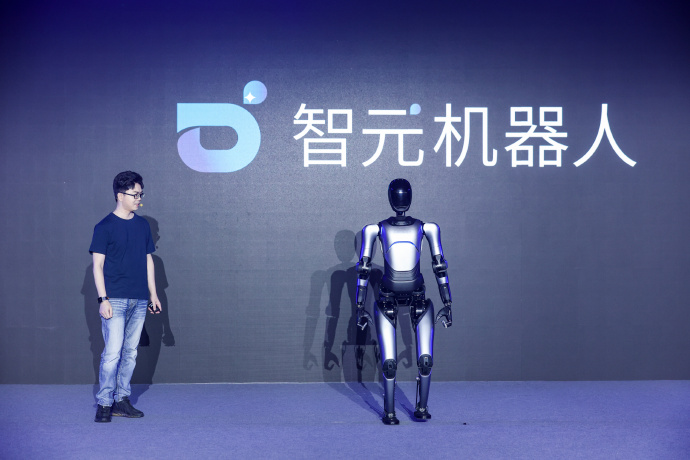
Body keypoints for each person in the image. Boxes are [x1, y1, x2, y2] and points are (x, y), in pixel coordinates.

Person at [355, 178, 453, 425]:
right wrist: (447, 301)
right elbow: (364, 268)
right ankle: (390, 412)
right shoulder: (376, 230)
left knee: (425, 360)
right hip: (387, 298)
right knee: (389, 363)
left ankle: (421, 408)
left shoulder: (424, 228)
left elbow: (439, 265)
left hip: (417, 296)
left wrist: (447, 302)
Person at [89, 171, 162, 423]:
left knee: (130, 353)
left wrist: (153, 294)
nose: (139, 199)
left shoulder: (142, 226)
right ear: (120, 196)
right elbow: (97, 266)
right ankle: (104, 403)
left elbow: (148, 260)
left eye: (141, 194)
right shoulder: (104, 227)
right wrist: (103, 299)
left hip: (139, 300)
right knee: (112, 354)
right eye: (135, 194)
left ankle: (121, 400)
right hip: (115, 300)